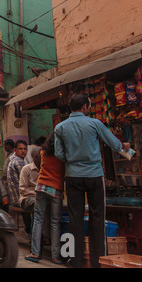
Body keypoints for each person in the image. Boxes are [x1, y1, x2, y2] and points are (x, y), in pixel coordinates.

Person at [54, 93, 130, 268]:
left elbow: (58, 154)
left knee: (75, 217)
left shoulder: (60, 127)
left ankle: (74, 259)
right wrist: (124, 146)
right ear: (85, 107)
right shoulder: (95, 123)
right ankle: (98, 261)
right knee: (98, 217)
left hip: (72, 176)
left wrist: (73, 158)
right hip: (94, 175)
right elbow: (115, 145)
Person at [25, 132, 65, 264]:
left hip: (41, 187)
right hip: (56, 190)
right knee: (55, 223)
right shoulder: (63, 156)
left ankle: (35, 253)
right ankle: (55, 256)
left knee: (38, 220)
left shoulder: (43, 153)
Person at [19, 147, 41, 236]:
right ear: (36, 157)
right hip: (27, 198)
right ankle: (35, 236)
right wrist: (36, 193)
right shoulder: (26, 169)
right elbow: (22, 189)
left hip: (41, 197)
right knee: (38, 205)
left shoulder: (45, 169)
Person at [7, 140, 28, 207]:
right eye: (20, 149)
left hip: (14, 199)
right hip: (19, 198)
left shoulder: (13, 160)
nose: (23, 151)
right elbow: (25, 181)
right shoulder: (18, 162)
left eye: (25, 149)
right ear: (15, 150)